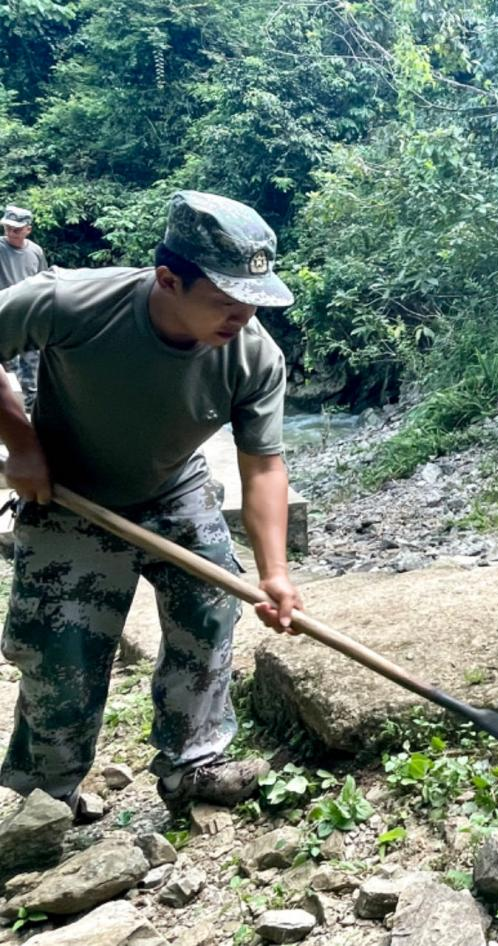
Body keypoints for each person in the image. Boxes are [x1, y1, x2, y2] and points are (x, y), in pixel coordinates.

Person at [0, 190, 303, 818]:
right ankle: (43, 800)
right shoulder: (71, 301)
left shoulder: (253, 355)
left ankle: (193, 765)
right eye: (223, 300)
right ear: (168, 279)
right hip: (70, 494)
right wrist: (22, 443)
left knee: (213, 607)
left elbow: (266, 466)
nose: (241, 317)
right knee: (63, 650)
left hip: (175, 487)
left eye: (251, 301)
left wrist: (275, 571)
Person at [0, 205, 49, 408]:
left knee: (31, 361)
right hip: (3, 311)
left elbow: (43, 281)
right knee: (6, 367)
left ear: (28, 229)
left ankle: (31, 410)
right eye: (7, 228)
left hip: (28, 313)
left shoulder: (35, 252)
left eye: (16, 229)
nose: (11, 232)